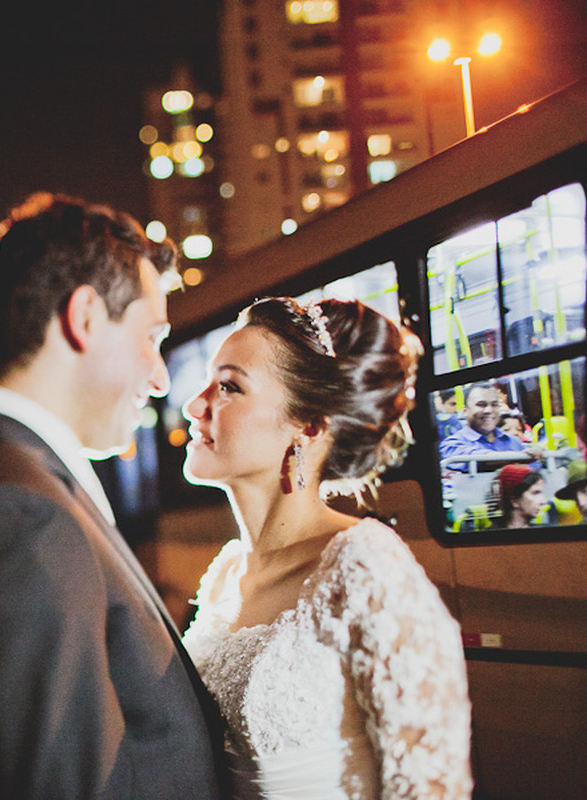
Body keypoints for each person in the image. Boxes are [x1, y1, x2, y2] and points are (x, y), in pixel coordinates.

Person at [0, 193, 227, 799]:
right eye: (151, 337)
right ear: (85, 318)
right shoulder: (16, 513)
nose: (160, 376)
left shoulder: (5, 478)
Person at [181, 297, 473, 799]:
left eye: (229, 386)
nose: (195, 404)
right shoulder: (226, 572)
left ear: (309, 426)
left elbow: (431, 787)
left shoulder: (363, 567)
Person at [439, 382, 543, 470]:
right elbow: (481, 460)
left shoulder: (514, 442)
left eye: (494, 405)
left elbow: (535, 472)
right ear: (465, 411)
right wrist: (521, 458)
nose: (489, 411)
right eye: (481, 405)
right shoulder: (452, 444)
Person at [494, 463, 547, 529]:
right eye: (535, 493)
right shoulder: (490, 537)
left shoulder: (545, 533)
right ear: (514, 501)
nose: (543, 501)